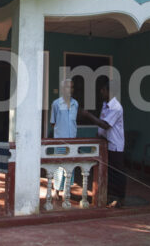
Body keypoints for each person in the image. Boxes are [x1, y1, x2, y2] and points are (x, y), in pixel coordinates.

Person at [82, 80, 126, 208]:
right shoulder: (105, 104)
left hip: (115, 144)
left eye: (103, 90)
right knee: (109, 172)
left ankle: (120, 198)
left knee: (117, 172)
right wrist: (99, 135)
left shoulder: (116, 107)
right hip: (106, 143)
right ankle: (111, 197)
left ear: (109, 91)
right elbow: (102, 122)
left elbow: (105, 124)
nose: (101, 92)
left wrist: (87, 115)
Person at [50, 79, 78, 199]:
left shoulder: (75, 104)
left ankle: (67, 190)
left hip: (72, 141)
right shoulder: (56, 104)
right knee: (58, 166)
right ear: (62, 89)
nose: (70, 90)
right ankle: (56, 190)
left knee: (70, 165)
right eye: (67, 87)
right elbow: (53, 122)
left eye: (72, 87)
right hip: (60, 140)